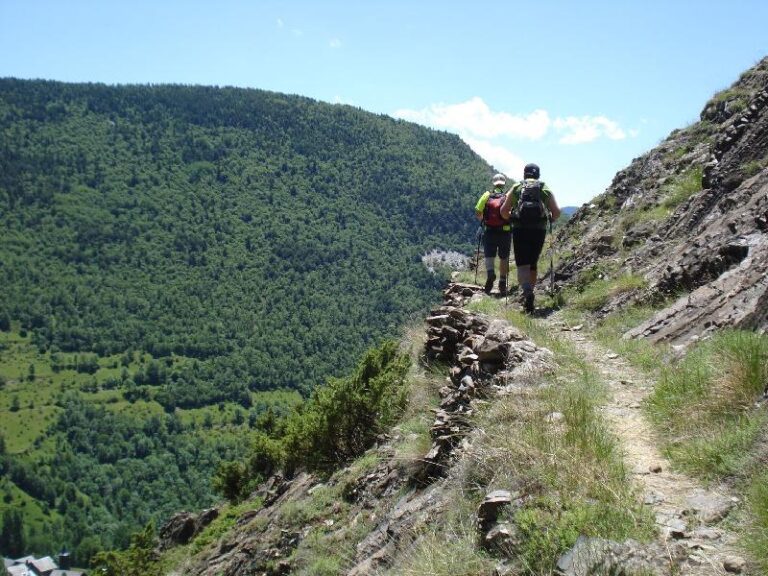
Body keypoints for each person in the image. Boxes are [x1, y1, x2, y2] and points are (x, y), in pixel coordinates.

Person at [501, 163, 561, 313]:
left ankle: (527, 292)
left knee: (522, 264)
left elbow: (503, 211)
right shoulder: (543, 188)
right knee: (532, 263)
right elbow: (557, 212)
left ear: (524, 174)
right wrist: (550, 220)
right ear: (538, 174)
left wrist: (512, 219)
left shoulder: (517, 188)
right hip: (538, 231)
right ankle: (530, 292)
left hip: (520, 230)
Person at [474, 173, 512, 295]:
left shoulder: (487, 195)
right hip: (504, 232)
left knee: (489, 256)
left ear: (493, 183)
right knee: (504, 257)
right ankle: (502, 281)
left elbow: (478, 211)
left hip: (489, 231)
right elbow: (512, 213)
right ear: (504, 183)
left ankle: (490, 273)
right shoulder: (507, 197)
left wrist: (484, 222)